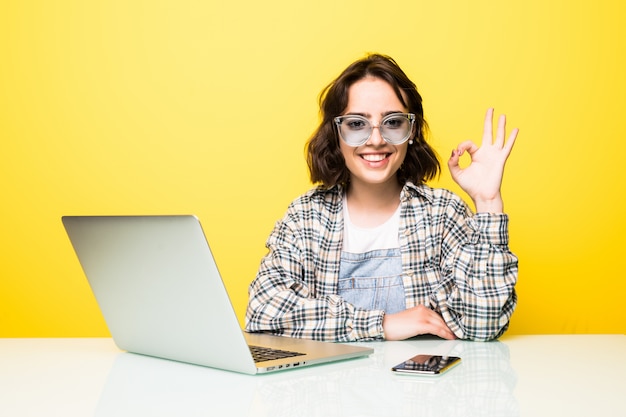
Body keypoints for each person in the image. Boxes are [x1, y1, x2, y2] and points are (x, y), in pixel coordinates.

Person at [245, 54, 519, 342]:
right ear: (336, 133)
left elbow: (483, 325)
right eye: (356, 124)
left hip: (422, 387)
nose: (376, 140)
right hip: (331, 387)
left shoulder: (442, 214)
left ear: (411, 130)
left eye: (392, 122)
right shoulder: (306, 218)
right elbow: (262, 311)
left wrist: (488, 203)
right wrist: (383, 324)